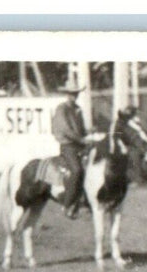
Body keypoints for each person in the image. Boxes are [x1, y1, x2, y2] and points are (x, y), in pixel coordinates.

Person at [51, 80, 90, 219]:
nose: (74, 96)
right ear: (67, 94)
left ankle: (86, 201)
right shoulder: (62, 109)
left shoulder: (78, 109)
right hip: (68, 146)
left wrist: (89, 135)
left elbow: (82, 130)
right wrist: (81, 139)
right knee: (77, 170)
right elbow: (65, 130)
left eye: (76, 93)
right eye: (72, 94)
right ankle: (67, 204)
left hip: (79, 145)